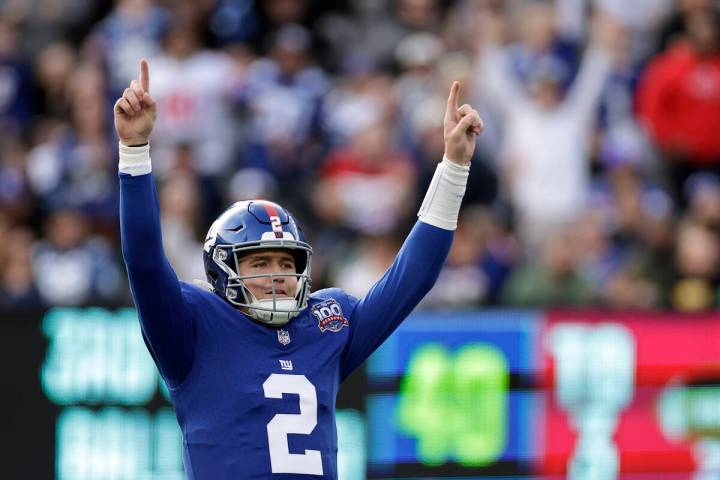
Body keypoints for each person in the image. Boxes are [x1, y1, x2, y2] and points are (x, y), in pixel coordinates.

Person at [116, 59, 483, 479]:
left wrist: (454, 167)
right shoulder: (193, 327)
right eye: (259, 262)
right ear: (221, 272)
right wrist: (134, 150)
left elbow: (411, 277)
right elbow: (144, 260)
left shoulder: (325, 325)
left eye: (285, 262)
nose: (276, 274)